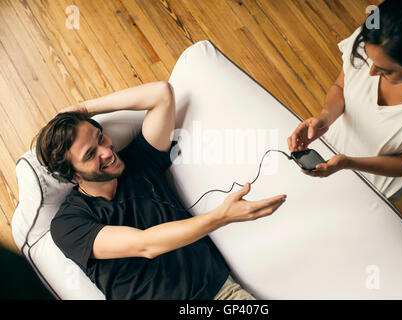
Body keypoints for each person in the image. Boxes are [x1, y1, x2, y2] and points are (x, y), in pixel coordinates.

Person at [34, 81, 287, 300]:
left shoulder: (138, 161)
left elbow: (161, 94)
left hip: (220, 293)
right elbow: (146, 245)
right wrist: (222, 216)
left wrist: (84, 109)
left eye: (100, 137)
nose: (107, 151)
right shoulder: (68, 224)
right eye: (90, 154)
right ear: (74, 175)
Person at [287, 0, 402, 202]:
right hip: (330, 147)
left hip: (374, 184)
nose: (371, 71)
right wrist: (325, 117)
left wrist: (348, 163)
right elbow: (340, 87)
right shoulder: (373, 39)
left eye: (387, 70)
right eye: (370, 60)